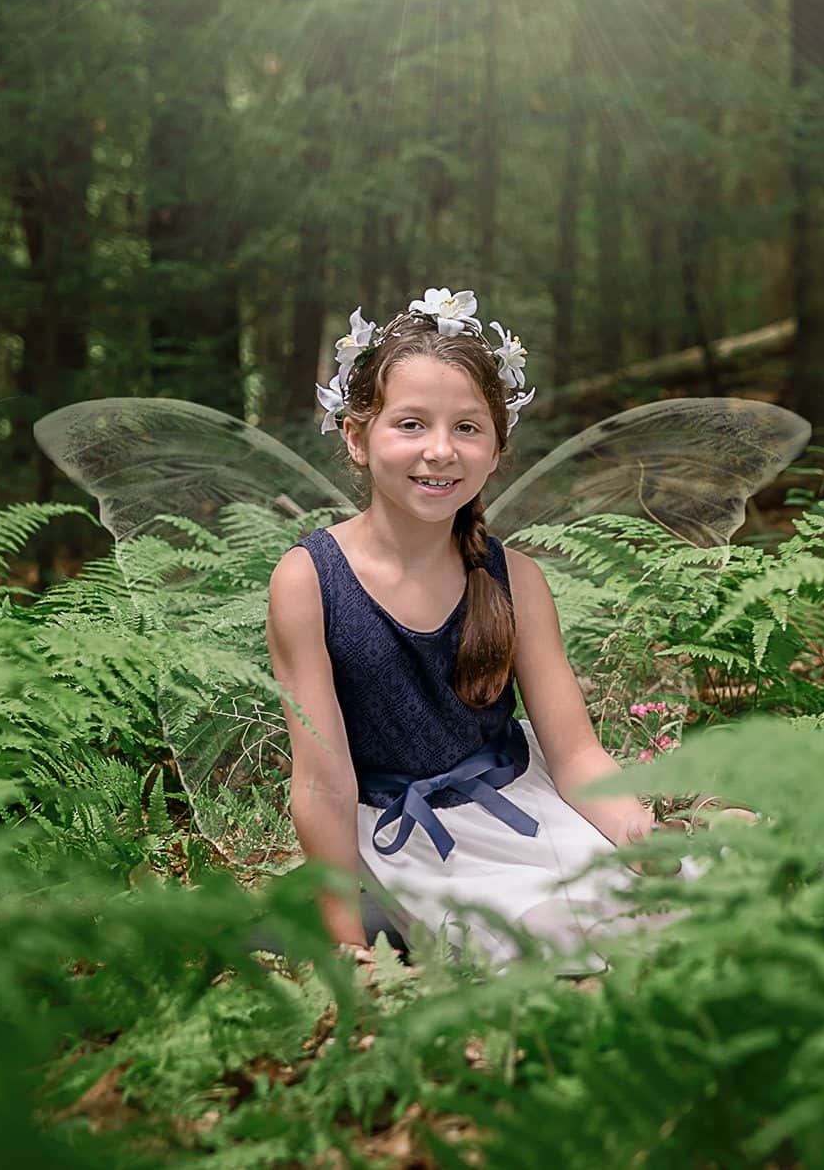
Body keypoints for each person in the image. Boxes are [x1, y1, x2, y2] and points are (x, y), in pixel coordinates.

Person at [265, 287, 673, 970]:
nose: (440, 450)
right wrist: (346, 942)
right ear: (357, 437)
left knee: (660, 903)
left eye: (466, 428)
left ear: (496, 449)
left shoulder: (515, 580)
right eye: (411, 424)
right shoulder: (310, 581)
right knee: (540, 931)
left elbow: (576, 754)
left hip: (526, 809)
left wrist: (640, 836)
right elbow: (322, 782)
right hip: (407, 836)